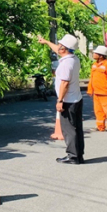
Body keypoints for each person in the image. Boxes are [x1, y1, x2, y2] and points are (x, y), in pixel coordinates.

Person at [38, 34, 84, 165]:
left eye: (60, 45)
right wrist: (46, 42)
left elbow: (64, 83)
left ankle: (73, 156)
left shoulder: (65, 64)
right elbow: (56, 49)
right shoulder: (73, 59)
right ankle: (79, 155)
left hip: (68, 101)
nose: (58, 47)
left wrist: (59, 101)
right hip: (76, 99)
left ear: (64, 48)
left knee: (69, 130)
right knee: (77, 128)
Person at [87, 46, 107, 135]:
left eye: (95, 53)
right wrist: (90, 89)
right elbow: (92, 78)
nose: (93, 54)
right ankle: (100, 126)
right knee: (98, 111)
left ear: (101, 56)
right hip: (96, 93)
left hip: (105, 93)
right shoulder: (94, 65)